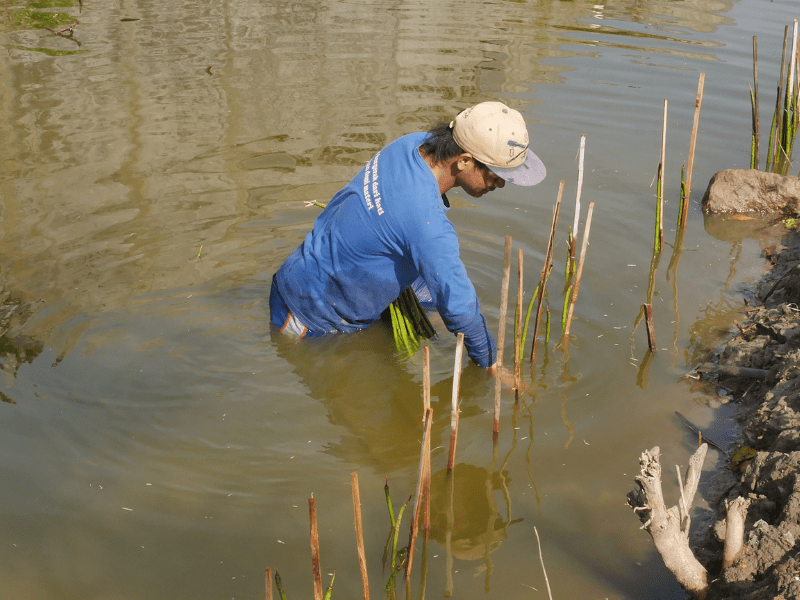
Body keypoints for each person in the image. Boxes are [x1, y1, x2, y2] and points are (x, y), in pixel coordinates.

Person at [269, 101, 546, 369]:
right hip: (309, 315)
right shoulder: (427, 223)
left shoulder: (412, 144)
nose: (499, 184)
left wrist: (432, 310)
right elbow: (461, 309)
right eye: (495, 175)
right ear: (464, 161)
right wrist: (491, 365)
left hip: (299, 271)